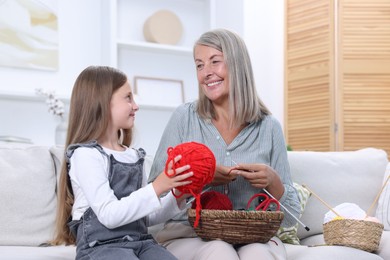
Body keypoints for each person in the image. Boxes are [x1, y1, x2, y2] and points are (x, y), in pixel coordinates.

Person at [148, 28, 301, 260]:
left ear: (237, 65)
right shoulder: (184, 118)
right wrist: (200, 181)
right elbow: (153, 198)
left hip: (253, 235)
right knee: (220, 252)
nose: (206, 73)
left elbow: (291, 218)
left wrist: (274, 183)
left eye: (214, 62)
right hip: (190, 233)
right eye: (199, 65)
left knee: (258, 255)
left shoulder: (269, 127)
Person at [51, 66, 194, 260]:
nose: (136, 106)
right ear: (102, 102)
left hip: (141, 242)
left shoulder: (133, 156)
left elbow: (145, 217)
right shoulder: (85, 155)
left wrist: (177, 195)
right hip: (100, 247)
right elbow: (109, 215)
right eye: (128, 98)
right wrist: (157, 187)